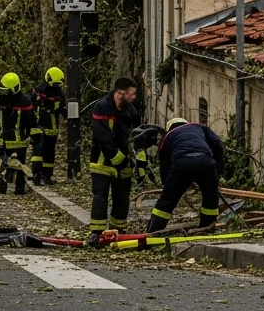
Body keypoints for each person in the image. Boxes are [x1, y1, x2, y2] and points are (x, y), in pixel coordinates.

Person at [146, 117, 224, 232]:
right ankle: (207, 227)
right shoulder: (201, 127)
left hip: (182, 163)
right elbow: (218, 146)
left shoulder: (167, 137)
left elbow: (165, 165)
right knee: (211, 196)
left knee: (168, 199)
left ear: (169, 129)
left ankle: (153, 231)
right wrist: (217, 172)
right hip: (206, 162)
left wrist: (167, 185)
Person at [87, 76, 140, 244]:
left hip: (124, 162)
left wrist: (140, 162)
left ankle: (118, 230)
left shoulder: (131, 111)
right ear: (120, 93)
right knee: (100, 196)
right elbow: (103, 138)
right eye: (131, 94)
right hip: (102, 162)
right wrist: (119, 159)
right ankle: (97, 232)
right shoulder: (101, 107)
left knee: (122, 198)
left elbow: (137, 136)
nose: (133, 98)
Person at [0, 72, 36, 195]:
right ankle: (19, 188)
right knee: (18, 162)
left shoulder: (1, 101)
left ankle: (4, 185)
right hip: (18, 138)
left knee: (7, 162)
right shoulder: (25, 101)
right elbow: (32, 121)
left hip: (8, 137)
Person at [29, 67, 66, 185]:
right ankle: (37, 175)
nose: (55, 86)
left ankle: (47, 176)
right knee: (39, 151)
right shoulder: (38, 91)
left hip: (51, 127)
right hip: (39, 125)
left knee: (49, 152)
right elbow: (31, 107)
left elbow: (62, 109)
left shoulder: (59, 93)